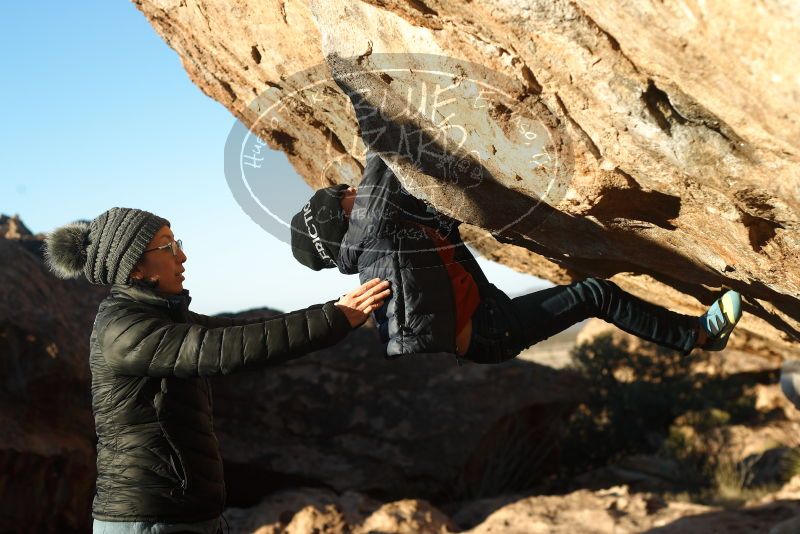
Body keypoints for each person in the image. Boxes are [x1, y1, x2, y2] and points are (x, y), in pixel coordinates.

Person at [43, 207, 390, 534]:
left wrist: (335, 311)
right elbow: (227, 349)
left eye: (177, 243)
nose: (182, 255)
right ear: (134, 268)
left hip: (183, 514)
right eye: (168, 245)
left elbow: (247, 329)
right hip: (149, 520)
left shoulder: (158, 319)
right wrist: (335, 318)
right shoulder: (123, 330)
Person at [290, 150, 743, 365]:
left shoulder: (382, 244)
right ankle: (699, 336)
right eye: (341, 198)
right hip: (492, 331)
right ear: (340, 223)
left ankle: (695, 336)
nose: (350, 190)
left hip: (490, 318)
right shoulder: (372, 239)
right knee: (595, 296)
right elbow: (381, 157)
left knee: (594, 294)